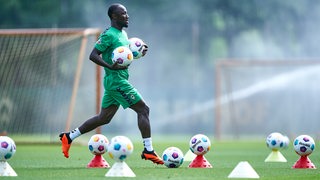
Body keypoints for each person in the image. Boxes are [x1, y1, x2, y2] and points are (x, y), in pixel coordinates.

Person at [59, 3, 164, 165]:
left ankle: (69, 137)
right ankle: (148, 150)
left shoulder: (123, 35)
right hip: (116, 81)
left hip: (117, 80)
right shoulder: (109, 35)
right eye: (123, 14)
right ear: (114, 17)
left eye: (127, 13)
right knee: (143, 109)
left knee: (104, 118)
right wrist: (110, 66)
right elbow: (93, 55)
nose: (127, 16)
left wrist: (140, 52)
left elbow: (126, 55)